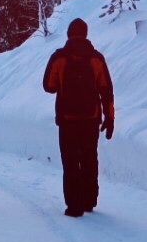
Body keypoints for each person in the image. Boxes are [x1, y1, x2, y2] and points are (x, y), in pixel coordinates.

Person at [41, 17, 115, 217]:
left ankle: (74, 206)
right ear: (86, 33)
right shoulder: (96, 58)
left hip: (67, 120)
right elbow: (106, 90)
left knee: (71, 161)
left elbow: (48, 86)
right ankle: (89, 201)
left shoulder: (59, 57)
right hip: (91, 119)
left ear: (68, 34)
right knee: (90, 158)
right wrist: (110, 118)